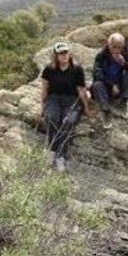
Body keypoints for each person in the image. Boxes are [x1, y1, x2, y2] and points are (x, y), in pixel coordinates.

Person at [41, 42, 92, 170]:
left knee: (68, 122)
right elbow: (45, 88)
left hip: (71, 99)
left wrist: (86, 107)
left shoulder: (77, 70)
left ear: (69, 54)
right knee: (51, 118)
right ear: (56, 56)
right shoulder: (49, 69)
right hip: (54, 98)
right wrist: (43, 106)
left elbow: (81, 89)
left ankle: (61, 155)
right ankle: (52, 150)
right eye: (61, 53)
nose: (64, 55)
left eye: (66, 52)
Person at [91, 33, 128, 128]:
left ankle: (123, 102)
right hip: (106, 87)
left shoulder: (125, 53)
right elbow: (96, 74)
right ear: (109, 45)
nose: (116, 50)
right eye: (114, 47)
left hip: (119, 86)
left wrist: (124, 63)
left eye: (119, 47)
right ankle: (106, 111)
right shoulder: (101, 55)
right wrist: (112, 85)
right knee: (97, 85)